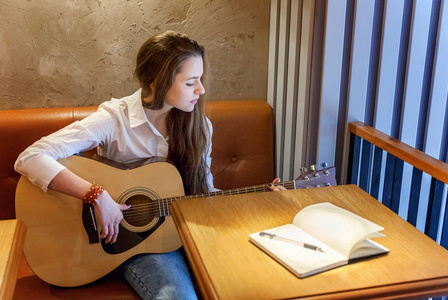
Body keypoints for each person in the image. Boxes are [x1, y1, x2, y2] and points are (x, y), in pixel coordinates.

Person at [15, 30, 284, 299]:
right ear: (158, 81)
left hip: (184, 231)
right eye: (191, 83)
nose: (201, 90)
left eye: (200, 80)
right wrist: (97, 196)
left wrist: (258, 200)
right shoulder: (114, 119)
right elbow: (30, 157)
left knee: (253, 282)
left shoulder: (200, 126)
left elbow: (204, 195)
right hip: (126, 243)